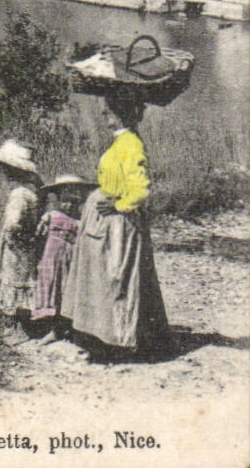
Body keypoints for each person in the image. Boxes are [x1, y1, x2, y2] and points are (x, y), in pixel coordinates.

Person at [59, 90, 169, 359]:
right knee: (100, 279)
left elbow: (141, 189)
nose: (105, 114)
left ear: (123, 112)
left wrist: (119, 205)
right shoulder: (121, 142)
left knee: (115, 278)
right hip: (104, 220)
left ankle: (117, 341)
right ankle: (103, 337)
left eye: (110, 109)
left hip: (117, 223)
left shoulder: (131, 143)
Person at [0, 139, 43, 321]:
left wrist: (11, 237)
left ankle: (16, 322)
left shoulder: (19, 194)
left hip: (16, 244)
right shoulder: (30, 191)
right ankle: (19, 319)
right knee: (23, 278)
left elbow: (12, 223)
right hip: (26, 242)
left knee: (14, 277)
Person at [31, 173, 93, 340]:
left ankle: (65, 328)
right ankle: (50, 328)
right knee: (52, 288)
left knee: (68, 289)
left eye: (75, 200)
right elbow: (39, 237)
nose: (69, 205)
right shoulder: (51, 216)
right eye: (65, 199)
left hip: (72, 259)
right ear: (58, 198)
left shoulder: (82, 220)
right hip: (51, 259)